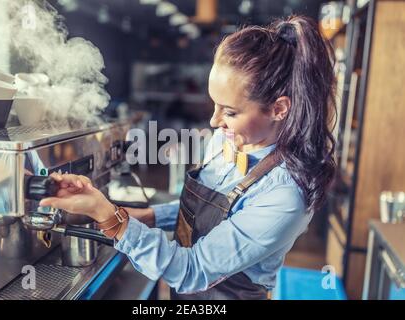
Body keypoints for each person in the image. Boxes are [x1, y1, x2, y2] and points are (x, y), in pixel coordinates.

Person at [39, 15, 336, 300]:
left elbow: (191, 270)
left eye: (230, 112)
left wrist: (110, 217)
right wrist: (146, 217)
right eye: (215, 105)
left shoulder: (285, 194)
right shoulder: (226, 138)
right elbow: (215, 211)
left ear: (279, 109)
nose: (214, 121)